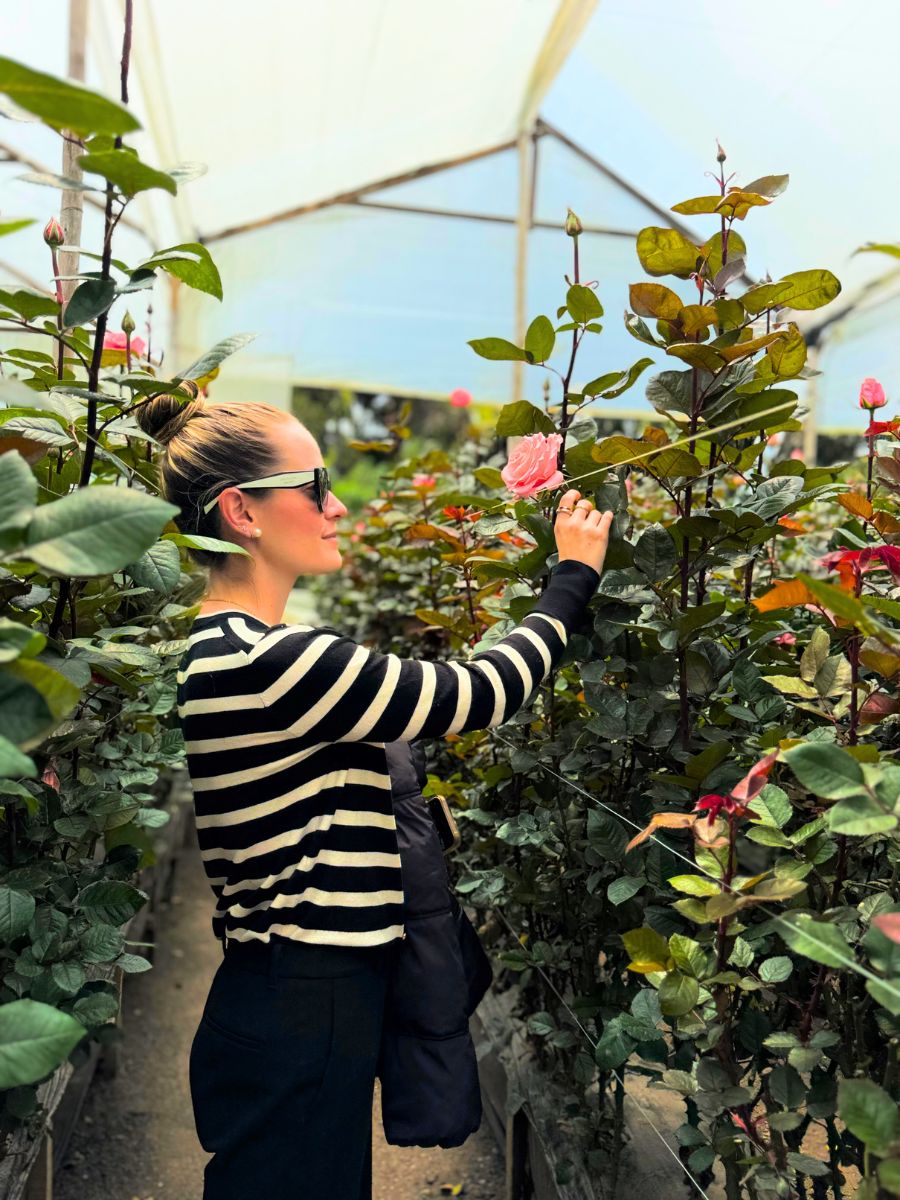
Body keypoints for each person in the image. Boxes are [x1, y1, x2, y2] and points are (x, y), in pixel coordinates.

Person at [135, 390, 614, 1200]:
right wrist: (572, 576)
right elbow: (477, 693)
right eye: (313, 484)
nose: (334, 504)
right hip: (303, 1001)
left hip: (293, 994)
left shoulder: (228, 648)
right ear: (240, 512)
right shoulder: (266, 658)